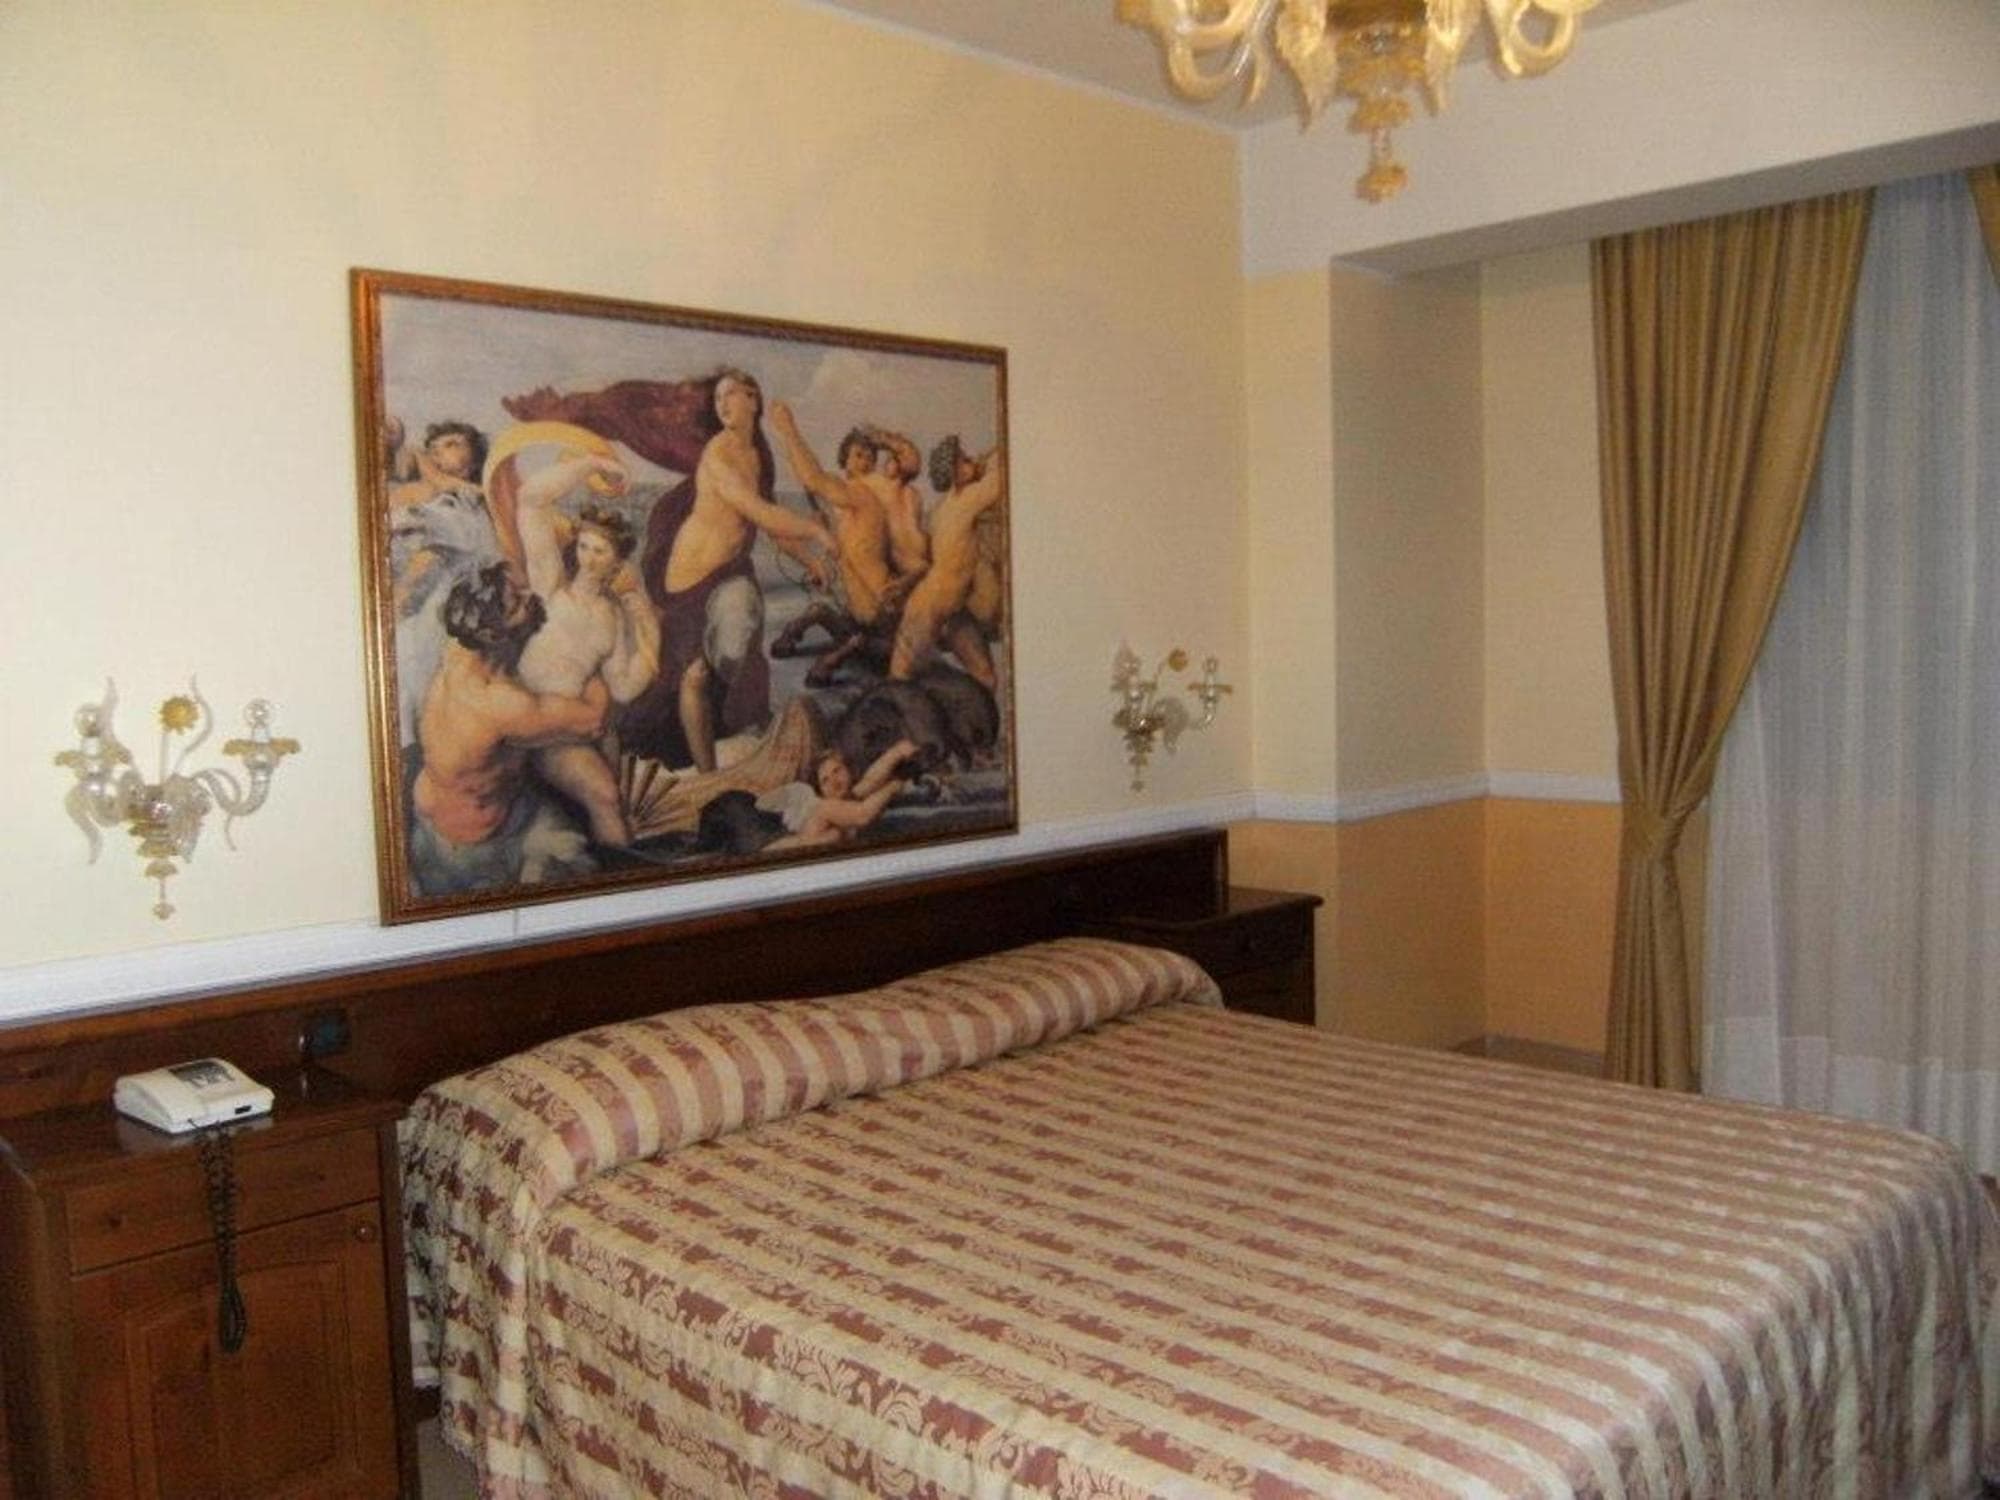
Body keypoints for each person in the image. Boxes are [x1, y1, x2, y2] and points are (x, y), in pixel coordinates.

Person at [409, 563, 608, 894]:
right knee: (577, 867)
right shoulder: (499, 703)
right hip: (481, 844)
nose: (529, 597)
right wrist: (592, 656)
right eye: (516, 603)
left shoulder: (458, 651)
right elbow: (593, 720)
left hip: (438, 817)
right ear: (492, 633)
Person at [510, 450, 660, 847]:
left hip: (568, 735)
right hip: (523, 722)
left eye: (600, 551)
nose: (588, 560)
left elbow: (624, 687)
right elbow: (531, 500)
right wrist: (594, 464)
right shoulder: (551, 586)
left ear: (617, 562)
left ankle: (620, 870)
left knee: (608, 795)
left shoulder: (614, 617)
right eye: (583, 547)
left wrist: (648, 624)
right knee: (605, 789)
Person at [890, 435, 1006, 690]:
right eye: (963, 459)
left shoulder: (942, 508)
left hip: (955, 611)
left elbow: (936, 560)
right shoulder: (968, 499)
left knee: (986, 679)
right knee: (899, 681)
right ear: (955, 472)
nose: (971, 460)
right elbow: (1001, 475)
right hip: (928, 607)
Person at [761, 737, 920, 850]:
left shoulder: (848, 797)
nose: (834, 781)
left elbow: (871, 779)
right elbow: (863, 815)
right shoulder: (825, 806)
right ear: (820, 792)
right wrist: (895, 785)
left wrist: (896, 752)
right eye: (825, 780)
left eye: (837, 770)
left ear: (848, 769)